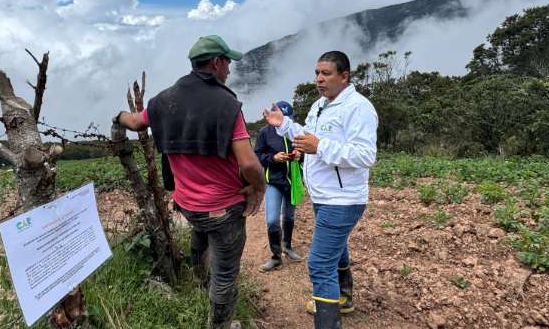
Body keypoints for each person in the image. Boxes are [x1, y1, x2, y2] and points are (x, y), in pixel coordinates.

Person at [114, 35, 266, 329]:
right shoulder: (227, 105)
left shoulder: (162, 100)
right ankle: (219, 324)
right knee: (225, 275)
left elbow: (134, 123)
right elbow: (248, 163)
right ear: (216, 63)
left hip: (186, 204)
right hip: (222, 209)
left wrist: (116, 117)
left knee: (200, 235)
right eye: (228, 63)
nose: (230, 70)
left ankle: (198, 279)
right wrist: (258, 188)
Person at [263, 51, 378, 329]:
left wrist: (321, 147)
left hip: (344, 199)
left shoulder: (359, 108)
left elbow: (366, 155)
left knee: (319, 263)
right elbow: (308, 138)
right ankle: (344, 297)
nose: (319, 79)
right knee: (336, 250)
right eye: (317, 73)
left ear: (344, 76)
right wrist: (286, 126)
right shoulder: (319, 105)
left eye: (326, 73)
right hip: (325, 196)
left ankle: (328, 318)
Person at [253, 100, 304, 272]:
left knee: (289, 216)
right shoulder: (264, 133)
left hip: (292, 180)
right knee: (272, 219)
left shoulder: (296, 131)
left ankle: (287, 247)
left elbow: (308, 153)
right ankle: (275, 256)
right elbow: (258, 155)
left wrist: (299, 155)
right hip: (273, 181)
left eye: (288, 118)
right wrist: (273, 158)